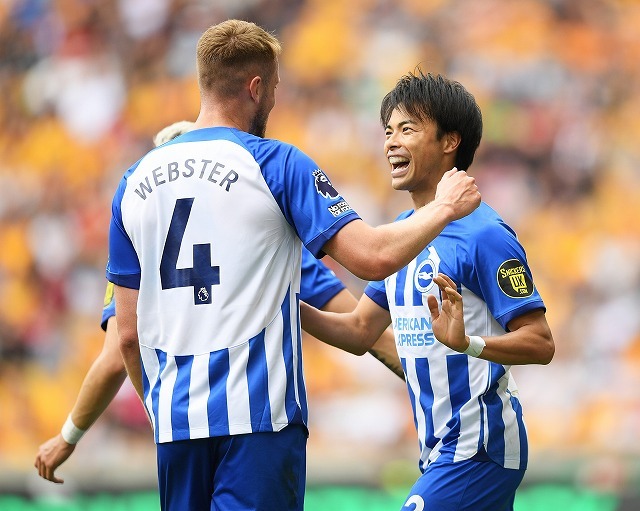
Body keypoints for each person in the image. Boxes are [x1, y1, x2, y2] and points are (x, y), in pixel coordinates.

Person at [106, 20, 479, 511]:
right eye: (275, 88)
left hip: (176, 424)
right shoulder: (276, 164)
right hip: (259, 421)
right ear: (256, 88)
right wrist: (445, 207)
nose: (276, 101)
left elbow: (127, 335)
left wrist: (162, 411)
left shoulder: (133, 182)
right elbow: (372, 258)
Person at [33, 121, 402, 485]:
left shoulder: (142, 233)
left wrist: (72, 435)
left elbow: (120, 348)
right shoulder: (267, 229)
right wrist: (421, 373)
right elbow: (359, 326)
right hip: (256, 421)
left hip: (181, 426)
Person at [300, 70, 555, 511]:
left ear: (450, 141)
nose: (391, 143)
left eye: (407, 129)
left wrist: (468, 343)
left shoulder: (484, 235)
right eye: (388, 131)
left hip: (481, 447)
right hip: (438, 452)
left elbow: (541, 342)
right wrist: (284, 307)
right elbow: (360, 331)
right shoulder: (400, 236)